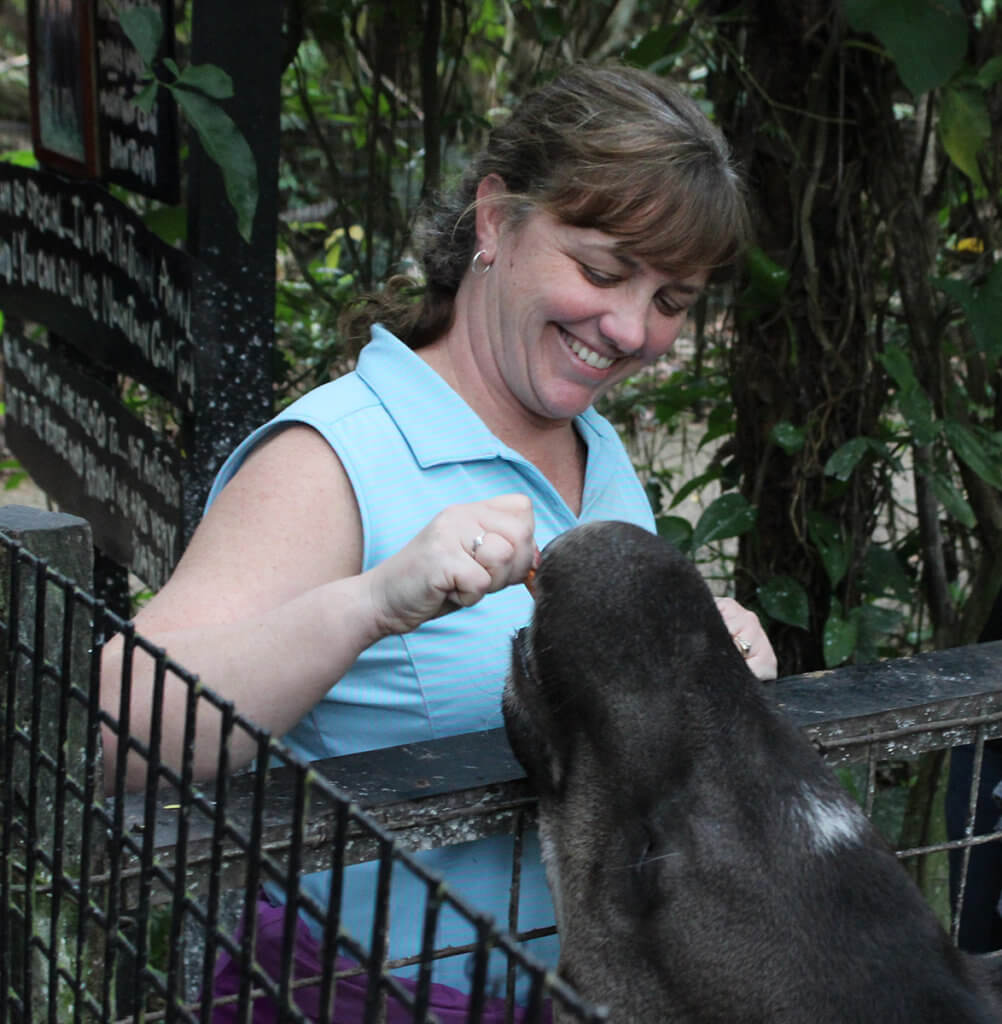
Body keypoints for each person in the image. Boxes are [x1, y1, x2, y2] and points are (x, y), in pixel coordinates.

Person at [100, 61, 777, 1020]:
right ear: (496, 222)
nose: (631, 329)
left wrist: (708, 657)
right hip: (357, 992)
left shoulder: (600, 450)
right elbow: (118, 724)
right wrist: (369, 605)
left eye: (672, 300)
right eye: (602, 270)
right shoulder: (332, 454)